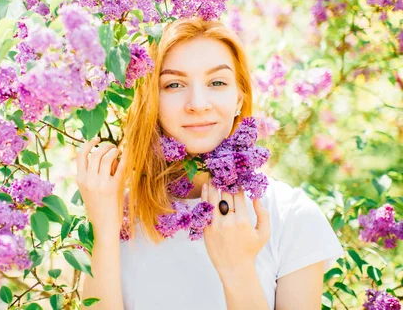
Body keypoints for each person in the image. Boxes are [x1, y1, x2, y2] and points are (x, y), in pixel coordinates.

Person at [76, 18, 344, 310]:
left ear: (239, 98)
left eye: (217, 82)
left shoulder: (290, 216)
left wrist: (237, 269)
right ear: (151, 100)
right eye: (174, 84)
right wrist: (103, 232)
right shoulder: (117, 216)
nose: (198, 103)